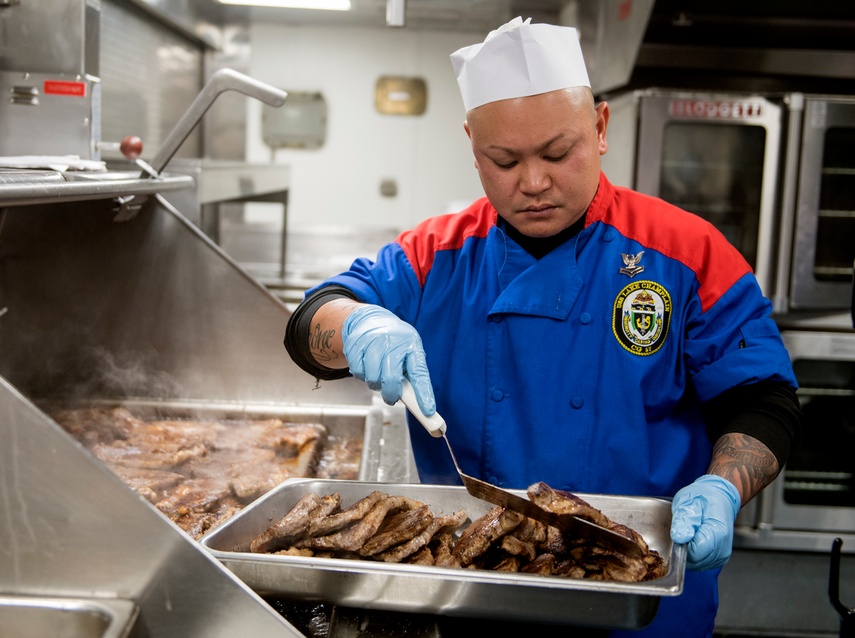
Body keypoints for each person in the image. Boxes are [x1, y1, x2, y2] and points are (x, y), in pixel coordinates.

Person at [283, 17, 802, 638]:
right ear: (472, 143)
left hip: (642, 601)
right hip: (474, 593)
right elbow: (312, 320)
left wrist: (722, 489)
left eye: (558, 153)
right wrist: (356, 326)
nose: (532, 183)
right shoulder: (436, 256)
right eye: (502, 161)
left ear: (601, 128)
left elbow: (763, 399)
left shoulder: (686, 253)